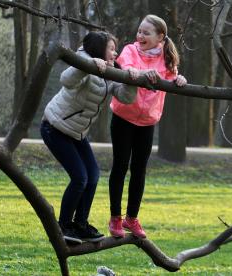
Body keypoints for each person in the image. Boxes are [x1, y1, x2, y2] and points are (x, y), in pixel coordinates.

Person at [40, 31, 137, 243]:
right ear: (100, 49)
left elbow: (126, 97)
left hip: (76, 133)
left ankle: (80, 224)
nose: (115, 53)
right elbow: (66, 79)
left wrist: (131, 80)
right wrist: (89, 65)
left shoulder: (109, 71)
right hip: (55, 127)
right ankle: (63, 226)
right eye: (111, 49)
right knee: (80, 178)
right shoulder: (83, 60)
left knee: (92, 175)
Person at [108, 14, 187, 239]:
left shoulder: (166, 56)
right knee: (121, 166)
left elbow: (172, 77)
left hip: (148, 121)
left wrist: (179, 80)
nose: (140, 35)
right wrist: (142, 73)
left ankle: (131, 218)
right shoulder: (130, 50)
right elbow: (127, 69)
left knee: (139, 169)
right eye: (139, 31)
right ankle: (115, 218)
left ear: (160, 37)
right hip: (124, 116)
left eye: (146, 32)